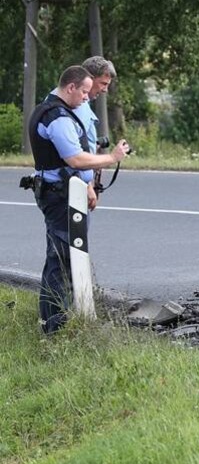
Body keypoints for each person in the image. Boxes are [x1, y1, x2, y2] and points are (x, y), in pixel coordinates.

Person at [28, 65, 130, 334]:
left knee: (61, 259)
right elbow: (75, 159)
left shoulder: (50, 110)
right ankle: (55, 327)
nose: (87, 97)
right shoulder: (58, 118)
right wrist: (112, 158)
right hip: (60, 197)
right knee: (62, 261)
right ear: (71, 87)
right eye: (84, 91)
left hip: (60, 193)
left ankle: (55, 321)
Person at [76, 56, 117, 209]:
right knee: (72, 232)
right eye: (103, 83)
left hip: (80, 183)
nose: (105, 89)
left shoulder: (82, 104)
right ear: (89, 79)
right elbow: (74, 152)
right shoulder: (78, 107)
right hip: (76, 187)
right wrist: (87, 186)